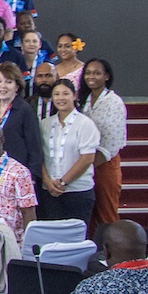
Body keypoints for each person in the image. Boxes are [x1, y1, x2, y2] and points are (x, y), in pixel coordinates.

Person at [39, 79, 99, 223]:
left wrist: (63, 182)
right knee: (52, 238)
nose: (61, 98)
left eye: (65, 94)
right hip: (49, 192)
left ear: (74, 96)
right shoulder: (44, 124)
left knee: (75, 239)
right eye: (57, 94)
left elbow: (87, 159)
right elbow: (39, 156)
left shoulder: (85, 124)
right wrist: (47, 181)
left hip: (78, 192)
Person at [79, 59, 126, 232]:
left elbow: (112, 141)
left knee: (106, 213)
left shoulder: (114, 102)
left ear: (106, 76)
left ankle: (112, 251)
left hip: (104, 163)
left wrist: (89, 164)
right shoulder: (84, 100)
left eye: (97, 73)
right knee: (89, 215)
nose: (92, 77)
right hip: (85, 162)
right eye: (88, 73)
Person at [0, 63, 45, 183]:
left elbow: (35, 147)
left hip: (18, 174)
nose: (2, 86)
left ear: (17, 86)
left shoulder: (25, 110)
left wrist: (31, 177)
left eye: (8, 82)